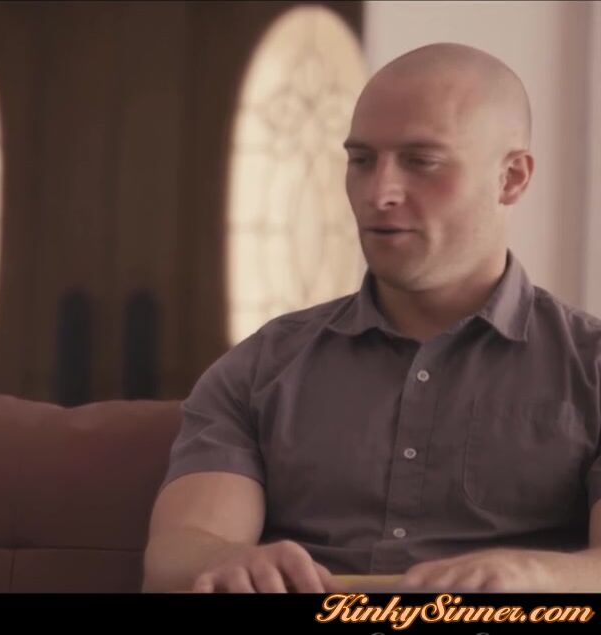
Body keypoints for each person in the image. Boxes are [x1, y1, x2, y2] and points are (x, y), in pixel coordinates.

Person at [142, 42, 601, 593]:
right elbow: (177, 554)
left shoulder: (590, 368)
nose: (379, 193)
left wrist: (533, 574)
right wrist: (226, 561)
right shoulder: (263, 365)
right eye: (361, 161)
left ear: (511, 178)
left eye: (421, 162)